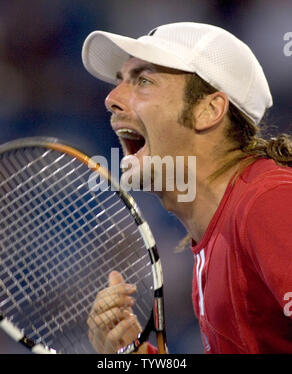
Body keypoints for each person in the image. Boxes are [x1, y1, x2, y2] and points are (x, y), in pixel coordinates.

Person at [81, 22, 292, 354]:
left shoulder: (270, 202)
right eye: (120, 82)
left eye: (143, 81)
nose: (111, 99)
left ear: (208, 110)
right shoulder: (213, 242)